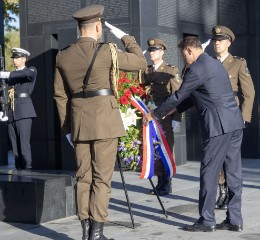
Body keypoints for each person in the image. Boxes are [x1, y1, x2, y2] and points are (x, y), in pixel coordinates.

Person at [53, 5, 146, 240]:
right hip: (105, 120)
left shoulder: (63, 55)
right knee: (102, 178)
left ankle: (85, 232)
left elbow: (60, 95)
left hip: (79, 123)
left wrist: (67, 127)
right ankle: (96, 234)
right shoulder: (107, 51)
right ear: (97, 26)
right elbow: (140, 62)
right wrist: (127, 37)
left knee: (83, 176)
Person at [145, 36, 245, 232]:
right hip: (234, 123)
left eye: (184, 55)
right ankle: (235, 220)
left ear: (189, 51)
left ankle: (207, 220)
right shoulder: (214, 64)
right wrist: (177, 109)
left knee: (209, 172)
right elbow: (199, 94)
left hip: (217, 127)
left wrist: (156, 114)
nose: (184, 60)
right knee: (234, 173)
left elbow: (179, 94)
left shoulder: (196, 68)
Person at [212, 25, 255, 210]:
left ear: (228, 42)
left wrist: (243, 117)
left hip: (231, 116)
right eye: (215, 40)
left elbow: (249, 92)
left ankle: (230, 192)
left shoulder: (238, 63)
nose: (217, 43)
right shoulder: (209, 63)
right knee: (216, 157)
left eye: (221, 40)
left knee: (230, 158)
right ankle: (221, 191)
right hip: (213, 117)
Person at [144, 38, 182, 196]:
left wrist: (176, 118)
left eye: (155, 50)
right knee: (154, 148)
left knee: (166, 147)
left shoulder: (171, 70)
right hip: (150, 114)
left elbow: (179, 96)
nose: (152, 53)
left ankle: (168, 182)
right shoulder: (147, 71)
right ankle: (160, 181)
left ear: (162, 52)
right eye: (151, 50)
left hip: (166, 114)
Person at [0, 47, 37, 170]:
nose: (14, 60)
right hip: (11, 112)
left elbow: (25, 74)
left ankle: (27, 169)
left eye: (17, 58)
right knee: (15, 147)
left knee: (24, 144)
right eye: (14, 58)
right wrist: (3, 109)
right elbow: (5, 94)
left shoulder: (30, 70)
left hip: (24, 112)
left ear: (24, 59)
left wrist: (7, 74)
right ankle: (18, 171)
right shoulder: (10, 76)